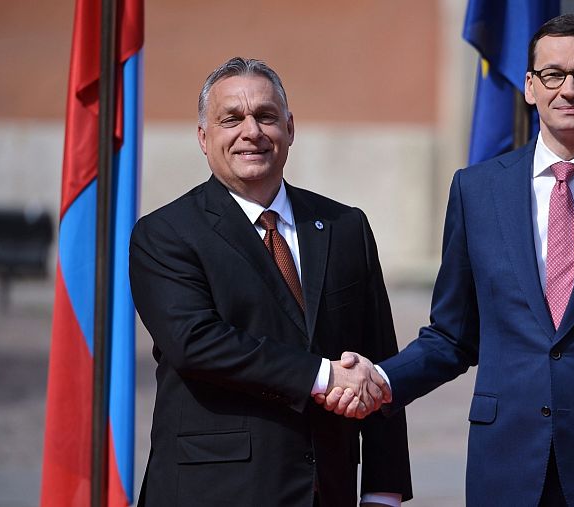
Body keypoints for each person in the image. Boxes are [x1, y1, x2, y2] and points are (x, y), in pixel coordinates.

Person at [321, 14, 574, 507]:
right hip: (507, 467)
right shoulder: (476, 190)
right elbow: (452, 336)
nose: (568, 89)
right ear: (529, 86)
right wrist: (381, 379)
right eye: (553, 74)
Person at [129, 57, 412, 507]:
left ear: (290, 128)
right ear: (203, 137)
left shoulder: (344, 226)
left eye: (266, 116)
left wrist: (384, 490)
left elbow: (377, 359)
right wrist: (323, 375)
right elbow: (196, 342)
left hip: (327, 490)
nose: (252, 132)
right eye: (231, 119)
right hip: (215, 491)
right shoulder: (165, 234)